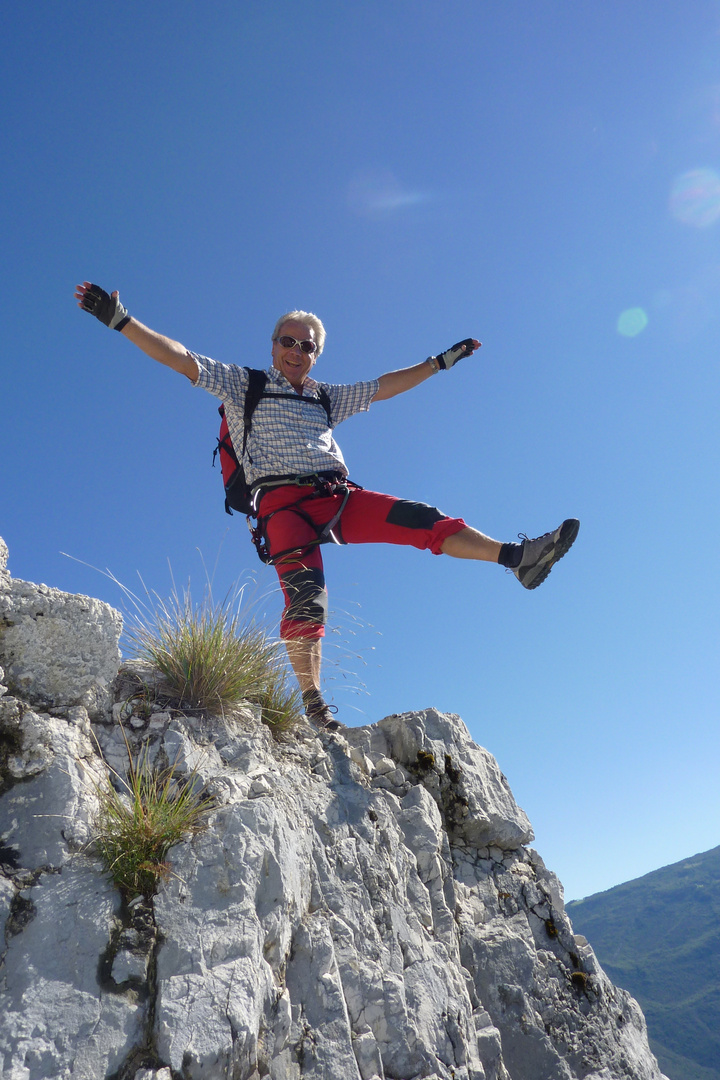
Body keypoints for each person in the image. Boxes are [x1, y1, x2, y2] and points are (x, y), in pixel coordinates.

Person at [75, 281, 579, 732]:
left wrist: (439, 363)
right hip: (281, 504)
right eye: (288, 342)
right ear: (273, 347)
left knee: (422, 519)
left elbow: (384, 386)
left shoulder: (326, 398)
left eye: (307, 346)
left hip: (336, 496)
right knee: (306, 599)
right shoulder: (242, 385)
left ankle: (518, 560)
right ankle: (314, 705)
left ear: (316, 355)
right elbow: (178, 357)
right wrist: (122, 321)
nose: (296, 351)